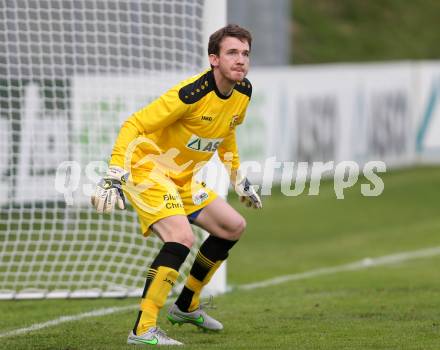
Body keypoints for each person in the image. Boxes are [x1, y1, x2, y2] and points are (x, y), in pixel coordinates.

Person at [92, 24, 262, 346]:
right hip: (149, 170)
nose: (241, 60)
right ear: (214, 59)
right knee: (181, 237)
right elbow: (134, 124)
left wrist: (237, 177)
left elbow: (227, 133)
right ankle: (142, 329)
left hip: (182, 177)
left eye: (245, 54)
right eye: (232, 53)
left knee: (232, 226)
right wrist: (116, 173)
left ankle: (186, 306)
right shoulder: (190, 94)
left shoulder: (243, 92)